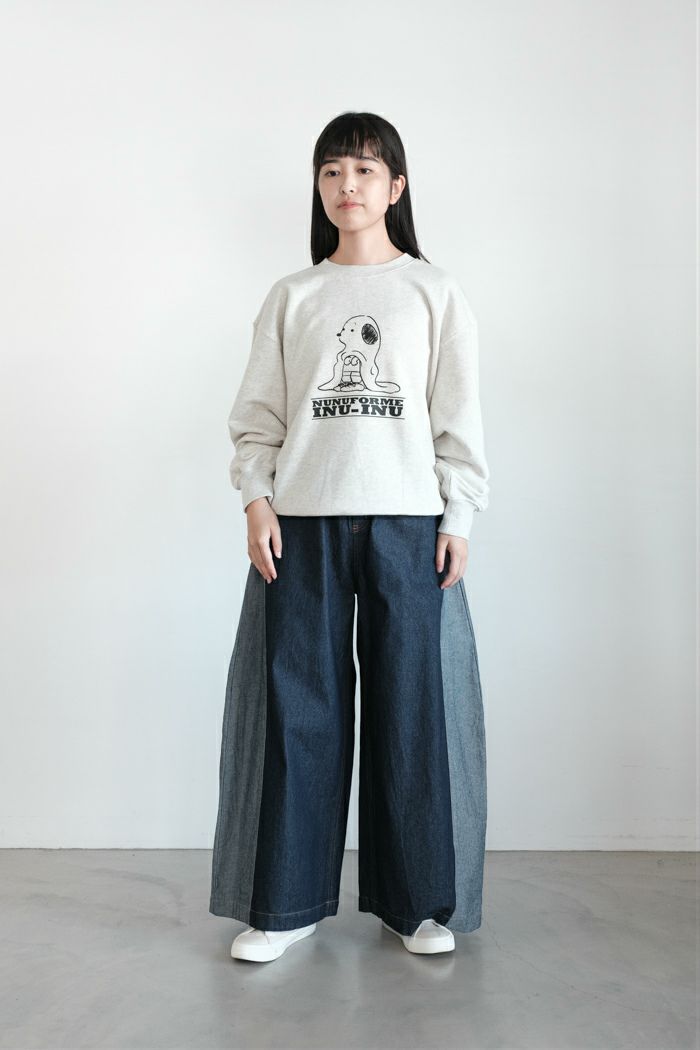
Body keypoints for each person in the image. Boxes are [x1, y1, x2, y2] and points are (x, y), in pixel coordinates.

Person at [209, 111, 490, 963]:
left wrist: (459, 515)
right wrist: (256, 501)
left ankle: (416, 905)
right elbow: (258, 417)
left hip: (408, 521)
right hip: (302, 523)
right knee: (302, 708)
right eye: (332, 171)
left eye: (365, 170)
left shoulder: (433, 292)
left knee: (412, 709)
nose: (347, 186)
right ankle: (287, 904)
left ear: (396, 187)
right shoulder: (293, 296)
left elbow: (458, 415)